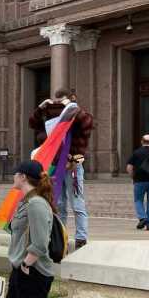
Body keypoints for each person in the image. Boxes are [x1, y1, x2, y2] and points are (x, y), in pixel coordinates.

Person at [1, 160, 56, 298]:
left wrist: (26, 263)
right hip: (20, 270)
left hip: (33, 272)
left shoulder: (36, 204)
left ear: (22, 177)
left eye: (15, 174)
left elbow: (41, 242)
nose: (13, 177)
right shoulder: (25, 202)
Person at [30, 88, 94, 249]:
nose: (58, 108)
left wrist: (72, 107)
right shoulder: (51, 121)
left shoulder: (77, 118)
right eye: (56, 104)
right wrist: (40, 109)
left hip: (73, 165)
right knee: (58, 203)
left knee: (77, 204)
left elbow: (88, 125)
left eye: (61, 104)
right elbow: (33, 124)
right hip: (54, 165)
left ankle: (81, 238)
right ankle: (60, 235)